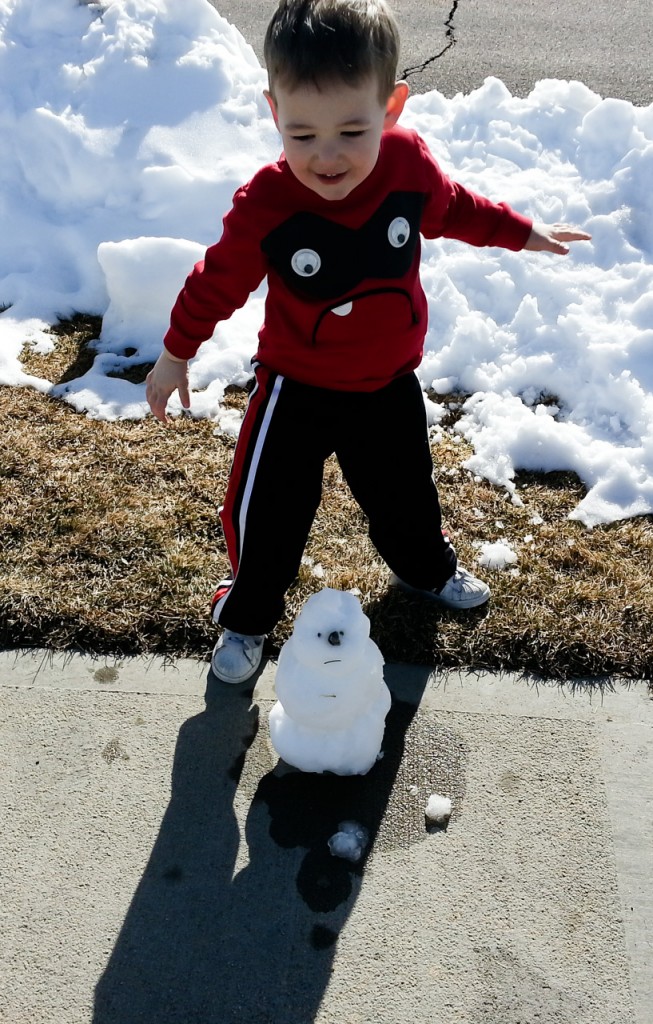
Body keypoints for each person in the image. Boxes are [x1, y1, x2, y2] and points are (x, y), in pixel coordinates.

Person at [145, 0, 591, 684]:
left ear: (392, 109)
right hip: (294, 390)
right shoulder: (266, 205)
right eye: (301, 134)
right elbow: (215, 282)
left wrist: (523, 231)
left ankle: (425, 570)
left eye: (351, 130)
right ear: (273, 114)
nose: (325, 157)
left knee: (405, 494)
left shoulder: (407, 166)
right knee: (269, 513)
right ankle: (247, 615)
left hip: (388, 384)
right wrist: (177, 352)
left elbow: (456, 209)